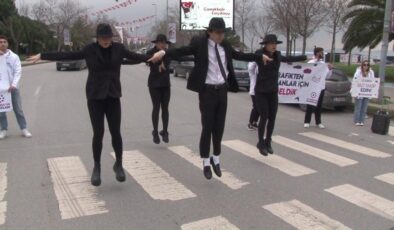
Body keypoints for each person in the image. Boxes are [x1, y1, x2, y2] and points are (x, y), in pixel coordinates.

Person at [27, 23, 163, 186]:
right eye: (102, 38)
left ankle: (118, 164)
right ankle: (97, 167)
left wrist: (155, 57)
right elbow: (68, 56)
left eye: (108, 38)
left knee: (115, 132)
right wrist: (43, 55)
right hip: (95, 97)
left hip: (113, 96)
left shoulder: (119, 48)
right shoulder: (89, 49)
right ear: (97, 38)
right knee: (98, 134)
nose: (106, 41)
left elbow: (137, 57)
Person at [164, 17, 271, 179]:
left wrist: (259, 57)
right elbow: (181, 51)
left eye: (223, 33)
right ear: (210, 32)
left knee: (219, 127)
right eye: (218, 33)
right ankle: (206, 162)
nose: (221, 36)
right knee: (208, 127)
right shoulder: (200, 44)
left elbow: (239, 55)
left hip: (222, 90)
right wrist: (163, 52)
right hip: (207, 91)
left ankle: (216, 158)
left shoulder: (225, 45)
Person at [254, 34, 307, 156]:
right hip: (261, 92)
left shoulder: (277, 55)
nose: (274, 45)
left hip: (273, 91)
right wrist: (261, 56)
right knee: (264, 117)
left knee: (272, 117)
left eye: (275, 43)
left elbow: (287, 59)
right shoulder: (259, 53)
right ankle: (260, 143)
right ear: (266, 44)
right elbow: (255, 55)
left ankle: (268, 141)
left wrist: (303, 57)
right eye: (271, 43)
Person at [0, 35, 32, 139]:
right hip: (1, 89)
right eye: (0, 42)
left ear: (7, 44)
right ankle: (3, 130)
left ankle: (24, 129)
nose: (2, 44)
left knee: (18, 109)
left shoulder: (14, 57)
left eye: (4, 42)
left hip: (13, 88)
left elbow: (18, 71)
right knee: (1, 111)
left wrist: (14, 85)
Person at [147, 34, 172, 144]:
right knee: (156, 107)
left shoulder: (168, 53)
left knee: (165, 108)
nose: (163, 44)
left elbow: (169, 62)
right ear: (156, 43)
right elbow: (148, 61)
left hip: (165, 84)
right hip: (154, 84)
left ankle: (165, 131)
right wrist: (158, 60)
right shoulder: (150, 52)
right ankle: (155, 132)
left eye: (164, 42)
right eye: (160, 42)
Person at [303, 47, 332, 129]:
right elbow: (307, 73)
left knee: (319, 105)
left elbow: (328, 76)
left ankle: (318, 122)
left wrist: (330, 69)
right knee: (310, 104)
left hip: (321, 87)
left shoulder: (323, 64)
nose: (322, 54)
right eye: (321, 52)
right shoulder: (311, 62)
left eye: (323, 52)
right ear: (316, 53)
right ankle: (307, 121)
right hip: (312, 87)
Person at [351, 60, 375, 126]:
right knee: (358, 107)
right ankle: (357, 120)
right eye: (364, 65)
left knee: (364, 108)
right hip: (359, 92)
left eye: (367, 65)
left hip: (367, 92)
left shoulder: (371, 72)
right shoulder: (358, 72)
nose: (366, 66)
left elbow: (373, 81)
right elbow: (355, 80)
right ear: (362, 65)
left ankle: (361, 121)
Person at [247, 61, 259, 130]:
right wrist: (257, 59)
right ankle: (250, 123)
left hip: (260, 91)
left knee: (259, 108)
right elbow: (251, 68)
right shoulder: (251, 66)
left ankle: (255, 122)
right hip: (254, 91)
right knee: (256, 107)